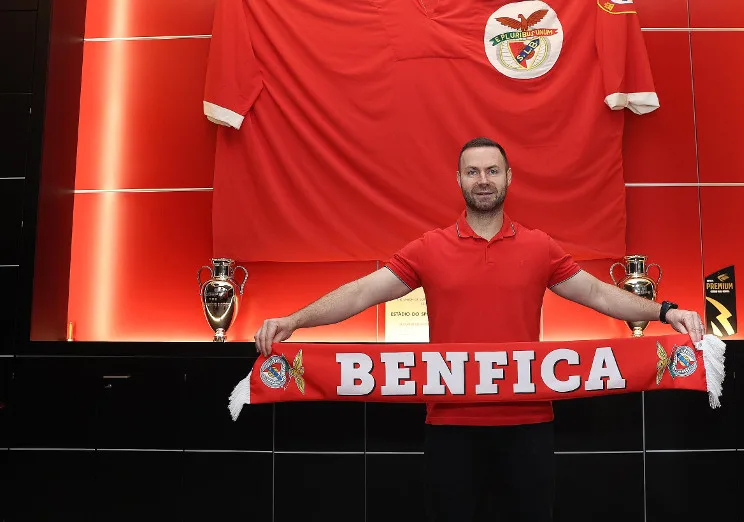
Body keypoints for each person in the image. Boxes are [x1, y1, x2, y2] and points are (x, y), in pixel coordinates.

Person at [253, 137, 706, 522]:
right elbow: (360, 294)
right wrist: (295, 320)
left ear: (509, 177)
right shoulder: (429, 248)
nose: (483, 180)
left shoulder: (539, 246)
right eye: (473, 172)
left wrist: (666, 311)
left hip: (528, 426)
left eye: (492, 171)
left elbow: (600, 295)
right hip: (450, 426)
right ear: (459, 180)